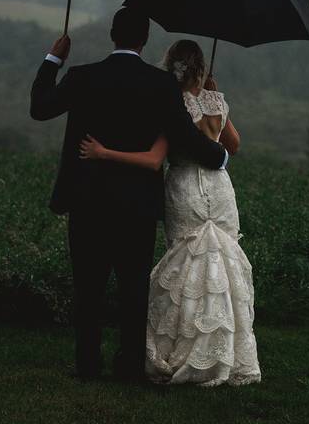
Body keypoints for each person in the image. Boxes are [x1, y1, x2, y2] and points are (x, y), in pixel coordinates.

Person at [29, 9, 228, 382]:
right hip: (136, 204)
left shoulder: (82, 76)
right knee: (134, 289)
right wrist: (220, 156)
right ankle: (130, 366)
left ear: (112, 35)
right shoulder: (161, 85)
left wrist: (54, 58)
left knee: (88, 288)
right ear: (143, 41)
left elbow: (39, 108)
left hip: (88, 201)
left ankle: (87, 365)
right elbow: (185, 137)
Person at [78, 39, 261, 387]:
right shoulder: (216, 102)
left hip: (185, 189)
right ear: (202, 69)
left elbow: (154, 158)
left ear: (172, 67)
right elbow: (232, 146)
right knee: (223, 262)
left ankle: (184, 347)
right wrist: (215, 101)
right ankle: (227, 351)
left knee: (186, 262)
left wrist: (103, 152)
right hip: (220, 189)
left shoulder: (173, 107)